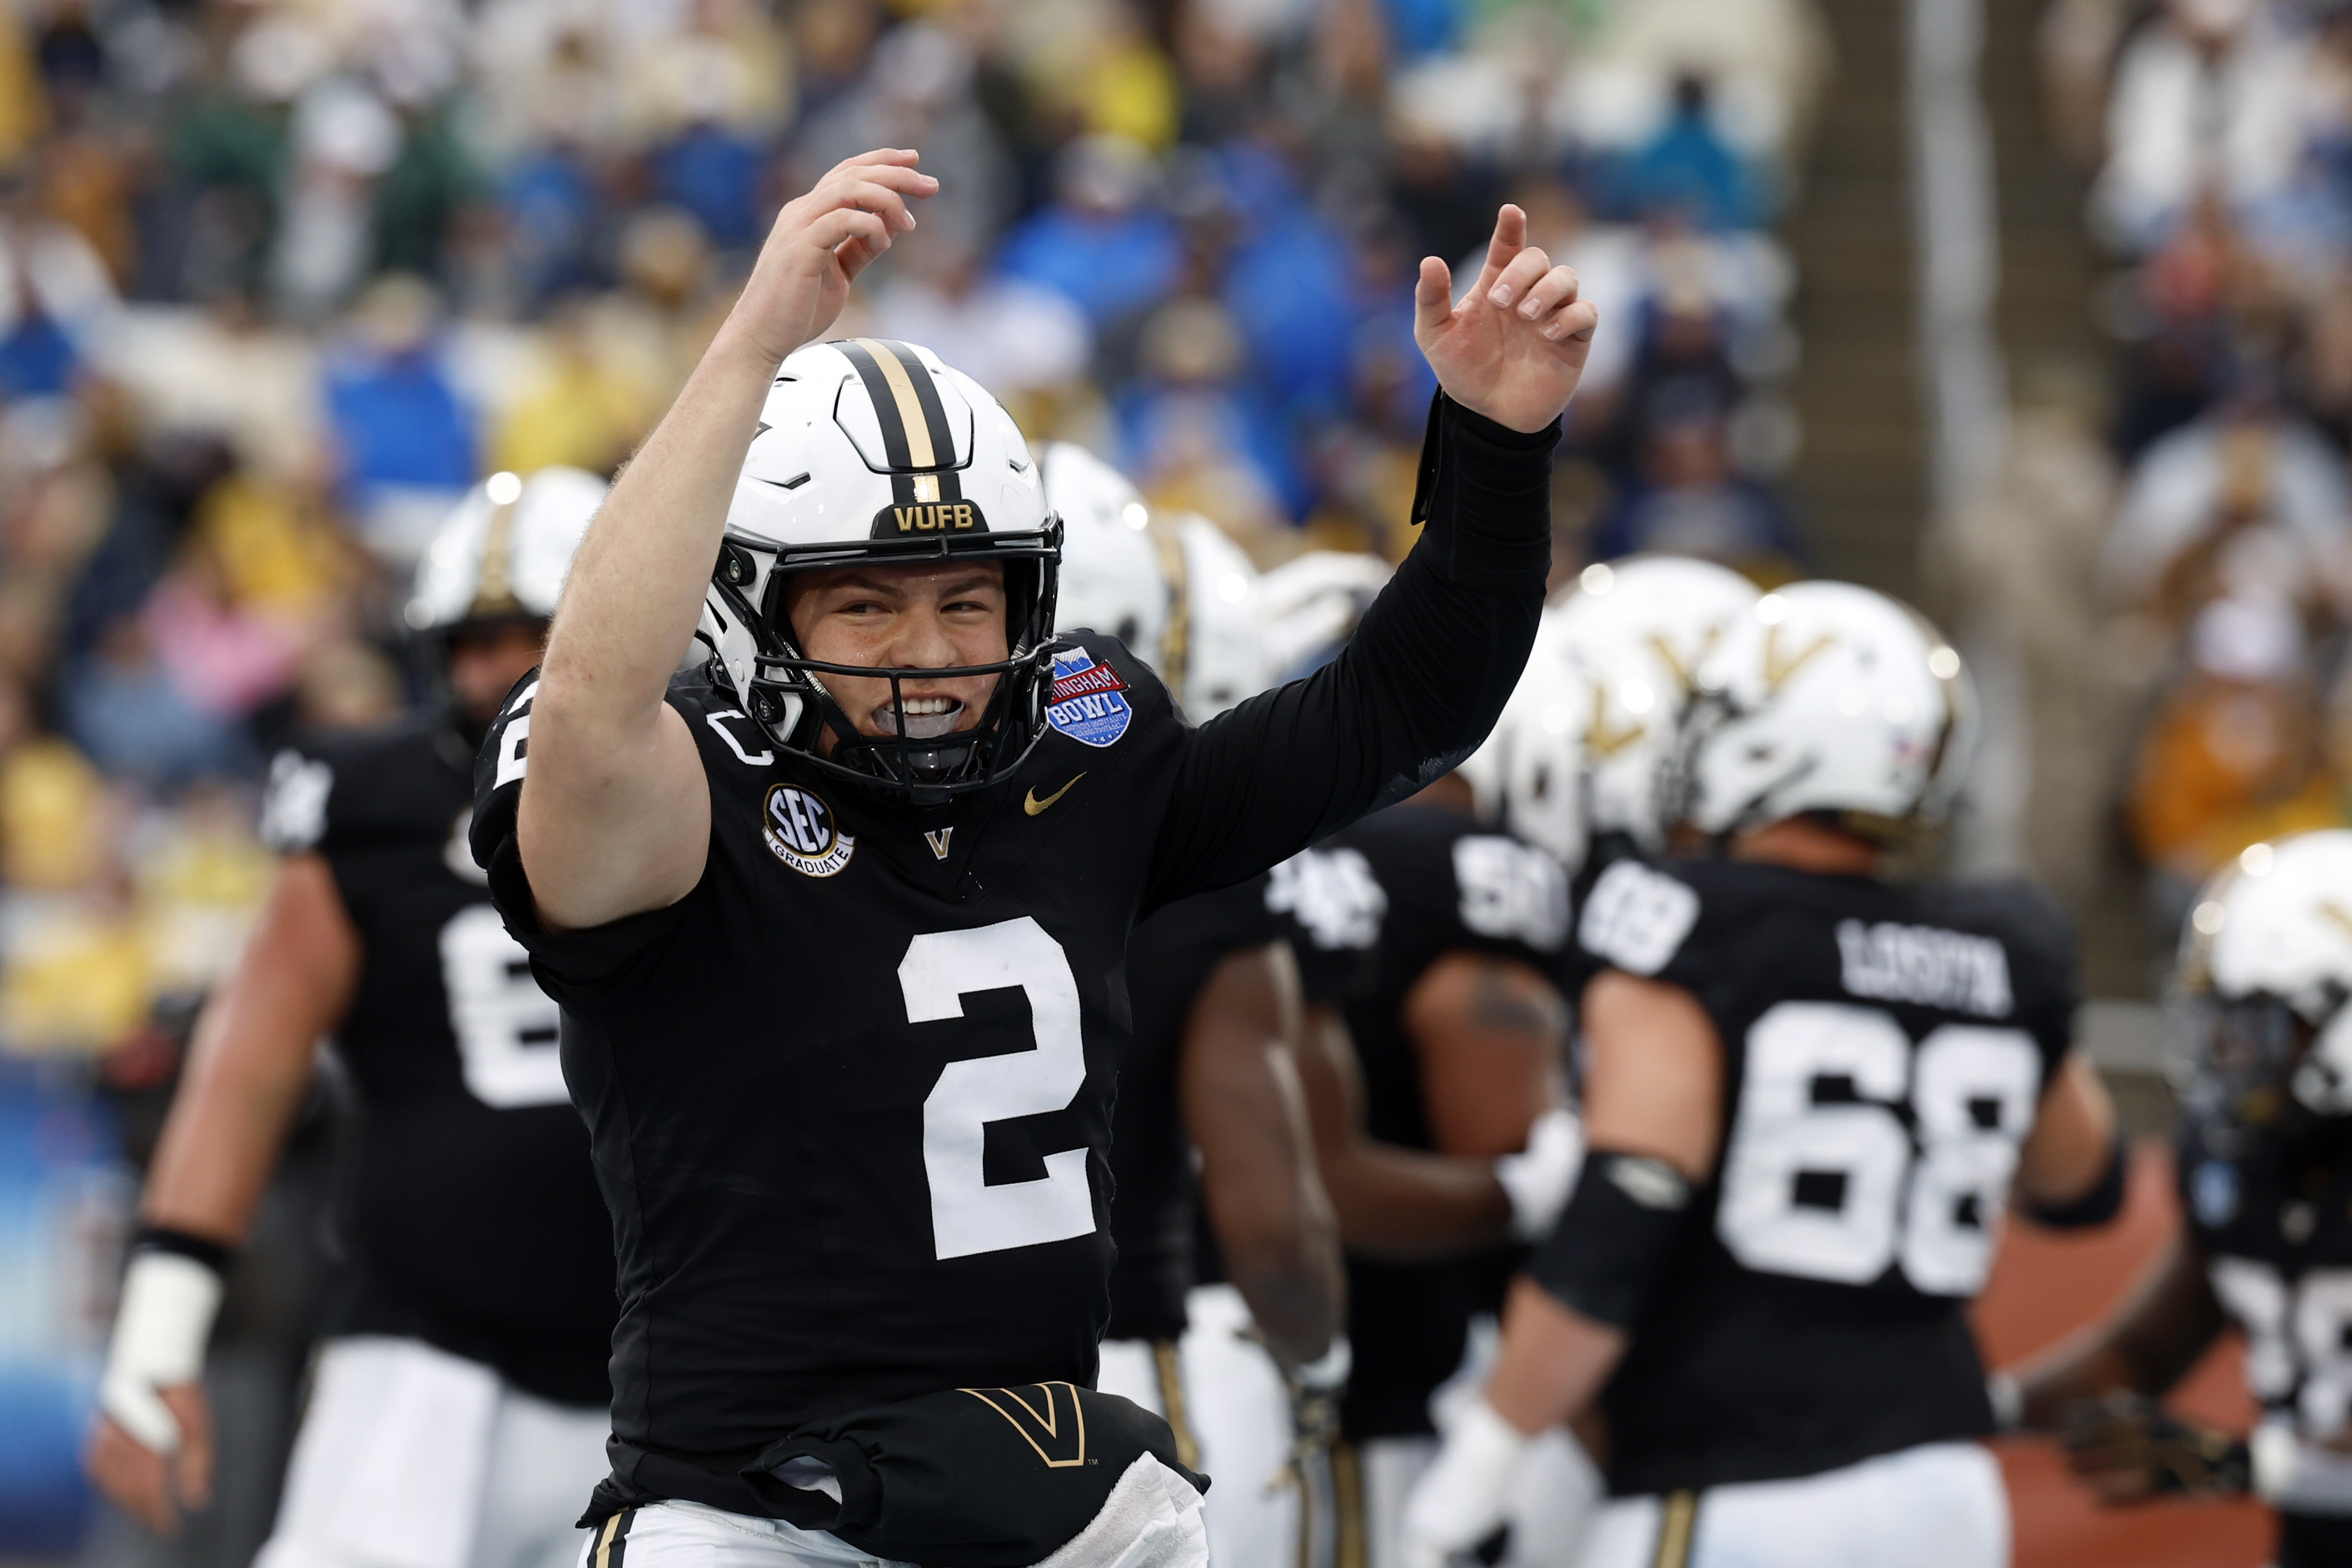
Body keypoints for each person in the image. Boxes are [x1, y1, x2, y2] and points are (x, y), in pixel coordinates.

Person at [466, 147, 1597, 1568]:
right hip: (747, 1513)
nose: (929, 652)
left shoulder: (1080, 752)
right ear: (745, 609)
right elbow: (584, 708)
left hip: (1033, 1492)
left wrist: (1492, 446)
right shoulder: (683, 788)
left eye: (965, 596)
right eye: (863, 605)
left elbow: (1395, 711)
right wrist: (749, 344)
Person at [1403, 580, 2128, 1568]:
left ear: (1778, 743)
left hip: (1732, 1482)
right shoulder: (2008, 945)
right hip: (1947, 1491)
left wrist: (1470, 1480)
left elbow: (1615, 1230)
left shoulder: (1688, 917)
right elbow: (2082, 1184)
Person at [87, 468, 617, 1568]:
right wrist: (157, 1330)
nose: (493, 673)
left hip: (676, 1355)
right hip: (431, 1350)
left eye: (529, 635)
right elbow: (250, 1065)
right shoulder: (368, 801)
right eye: (471, 642)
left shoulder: (716, 783)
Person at [1044, 440, 1348, 1568]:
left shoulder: (862, 845)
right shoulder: (1210, 877)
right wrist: (1316, 1360)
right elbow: (1272, 1222)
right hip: (1132, 1364)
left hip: (901, 1374)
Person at [2005, 829, 2352, 1567]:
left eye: (2254, 1026)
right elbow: (2140, 1351)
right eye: (2217, 1024)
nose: (2227, 1054)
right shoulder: (2254, 1163)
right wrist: (1971, 1404)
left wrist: (2237, 1465)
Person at [1274, 769, 1583, 1568]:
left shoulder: (1259, 844)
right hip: (1369, 1382)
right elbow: (1486, 1124)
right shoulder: (1478, 870)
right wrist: (1531, 1191)